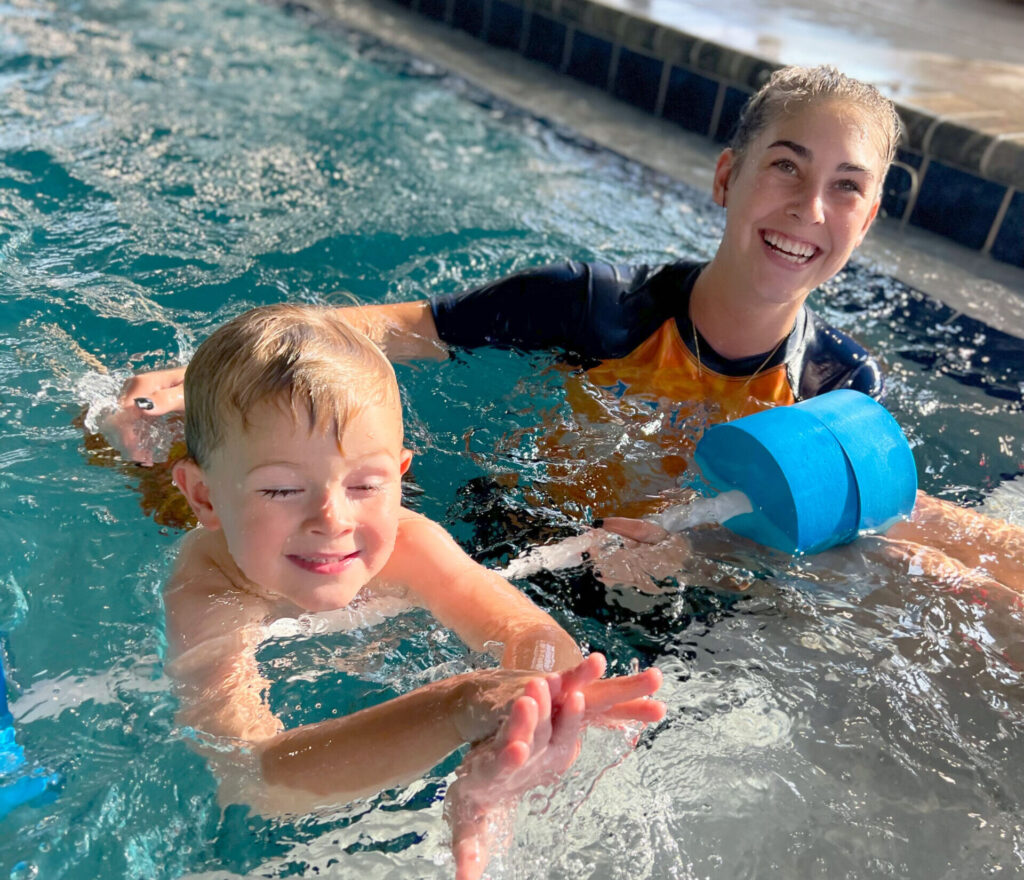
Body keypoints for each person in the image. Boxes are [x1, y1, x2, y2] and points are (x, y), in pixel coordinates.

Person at [117, 64, 1022, 592]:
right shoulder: (597, 306)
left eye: (846, 187)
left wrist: (695, 567)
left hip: (675, 602)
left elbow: (814, 553)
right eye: (785, 169)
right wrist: (196, 363)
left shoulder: (840, 390)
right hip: (513, 538)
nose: (808, 209)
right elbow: (396, 331)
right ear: (726, 179)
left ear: (865, 221)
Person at [163, 304, 666, 880]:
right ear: (203, 498)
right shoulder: (207, 587)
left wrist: (521, 719)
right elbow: (251, 777)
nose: (332, 519)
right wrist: (456, 706)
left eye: (366, 485)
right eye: (280, 489)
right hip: (159, 493)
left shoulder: (408, 541)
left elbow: (532, 636)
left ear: (399, 476)